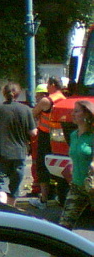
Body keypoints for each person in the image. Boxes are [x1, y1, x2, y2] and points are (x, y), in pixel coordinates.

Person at [0, 82, 37, 206]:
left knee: (0, 183)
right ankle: (11, 209)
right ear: (18, 94)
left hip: (2, 152)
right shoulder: (26, 110)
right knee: (15, 185)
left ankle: (2, 205)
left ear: (4, 94)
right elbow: (33, 133)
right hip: (20, 153)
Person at [58, 100, 94, 230]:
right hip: (77, 186)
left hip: (92, 186)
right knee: (64, 226)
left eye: (76, 111)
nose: (72, 114)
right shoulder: (74, 135)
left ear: (87, 115)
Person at [31, 76, 66, 204]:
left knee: (42, 166)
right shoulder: (64, 98)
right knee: (58, 167)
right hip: (60, 137)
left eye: (47, 85)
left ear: (52, 84)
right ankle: (58, 194)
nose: (46, 87)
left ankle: (44, 199)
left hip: (45, 136)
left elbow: (32, 114)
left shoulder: (46, 101)